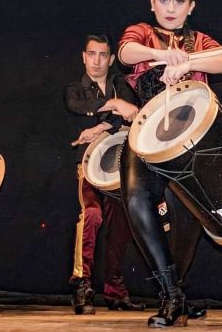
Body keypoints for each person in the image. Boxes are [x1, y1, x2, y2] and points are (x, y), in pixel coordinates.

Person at [118, 0, 222, 327]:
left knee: (192, 215)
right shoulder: (141, 32)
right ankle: (171, 294)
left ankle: (176, 292)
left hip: (192, 138)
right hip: (148, 133)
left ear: (191, 6)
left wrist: (188, 61)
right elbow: (125, 53)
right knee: (136, 199)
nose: (170, 7)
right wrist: (163, 56)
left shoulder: (200, 40)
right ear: (152, 4)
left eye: (178, 1)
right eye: (163, 0)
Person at [63, 34, 146, 314]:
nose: (96, 61)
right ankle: (83, 285)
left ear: (111, 59)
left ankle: (114, 291)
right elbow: (76, 107)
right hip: (87, 167)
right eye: (91, 54)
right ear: (83, 56)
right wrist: (115, 106)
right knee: (92, 216)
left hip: (117, 168)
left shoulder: (120, 84)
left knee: (121, 223)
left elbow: (133, 113)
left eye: (102, 55)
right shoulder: (75, 88)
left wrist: (99, 127)